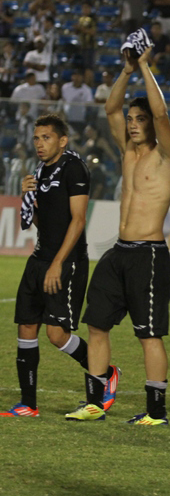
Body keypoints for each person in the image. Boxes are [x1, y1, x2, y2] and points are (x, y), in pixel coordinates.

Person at [66, 46, 170, 424]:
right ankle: (95, 403)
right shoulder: (127, 151)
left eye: (139, 119)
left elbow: (161, 112)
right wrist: (128, 69)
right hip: (119, 251)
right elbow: (110, 109)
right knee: (95, 324)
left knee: (148, 335)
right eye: (132, 119)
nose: (132, 124)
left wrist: (146, 65)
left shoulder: (167, 155)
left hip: (148, 253)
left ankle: (156, 411)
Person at [0, 114, 102, 417]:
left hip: (66, 261)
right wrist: (27, 195)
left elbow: (78, 219)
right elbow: (39, 219)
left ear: (62, 140)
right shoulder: (39, 171)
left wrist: (58, 262)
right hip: (39, 258)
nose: (39, 144)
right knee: (26, 325)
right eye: (36, 138)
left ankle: (104, 374)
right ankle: (28, 404)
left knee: (56, 334)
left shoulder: (74, 168)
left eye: (46, 137)